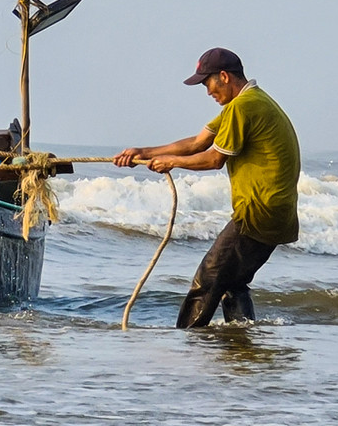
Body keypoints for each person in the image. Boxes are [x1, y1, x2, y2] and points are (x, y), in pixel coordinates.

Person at [114, 47, 300, 328]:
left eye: (206, 83)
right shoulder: (251, 102)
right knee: (232, 283)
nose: (207, 91)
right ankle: (241, 340)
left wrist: (171, 162)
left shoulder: (242, 107)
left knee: (208, 279)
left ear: (224, 76)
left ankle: (185, 339)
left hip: (257, 211)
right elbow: (197, 143)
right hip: (277, 214)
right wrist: (144, 152)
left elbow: (214, 159)